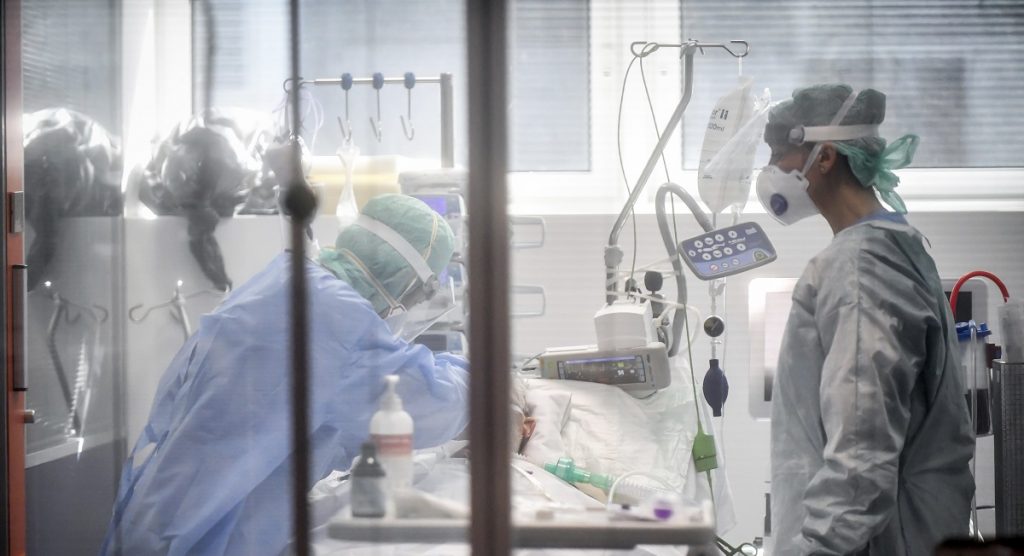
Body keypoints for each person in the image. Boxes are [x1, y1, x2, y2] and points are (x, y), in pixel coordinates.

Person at [102, 194, 470, 556]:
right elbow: (430, 401)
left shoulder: (288, 281)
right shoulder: (340, 325)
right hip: (212, 535)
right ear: (403, 278)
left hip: (159, 512)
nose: (411, 308)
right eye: (419, 296)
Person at [757, 84, 974, 555]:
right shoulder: (891, 243)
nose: (769, 171)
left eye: (778, 155)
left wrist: (819, 550)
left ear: (825, 156)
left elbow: (861, 454)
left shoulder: (860, 267)